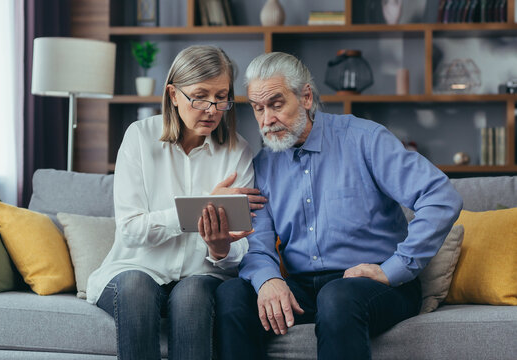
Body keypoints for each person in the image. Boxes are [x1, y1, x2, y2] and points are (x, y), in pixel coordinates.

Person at [215, 52, 463, 360]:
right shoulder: (262, 165)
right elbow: (258, 244)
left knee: (337, 296)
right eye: (258, 108)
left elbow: (441, 196)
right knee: (231, 295)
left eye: (276, 104)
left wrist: (393, 269)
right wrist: (269, 279)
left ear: (306, 96)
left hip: (378, 286)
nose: (266, 120)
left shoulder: (363, 139)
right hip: (304, 287)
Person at [86, 45, 266, 360]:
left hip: (202, 273)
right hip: (134, 268)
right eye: (200, 96)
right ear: (172, 94)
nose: (212, 108)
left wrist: (220, 247)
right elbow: (130, 229)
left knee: (193, 295)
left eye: (222, 96)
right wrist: (202, 208)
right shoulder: (140, 137)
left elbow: (239, 248)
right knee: (136, 288)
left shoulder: (238, 151)